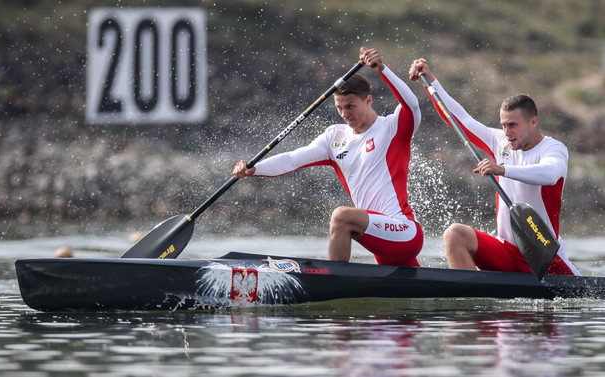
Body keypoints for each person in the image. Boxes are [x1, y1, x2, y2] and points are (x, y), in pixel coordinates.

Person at [232, 47, 423, 266]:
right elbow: (293, 159)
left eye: (350, 106)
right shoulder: (335, 137)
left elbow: (412, 104)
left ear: (368, 100)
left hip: (403, 231)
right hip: (377, 236)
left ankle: (332, 277)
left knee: (342, 217)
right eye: (339, 107)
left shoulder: (392, 128)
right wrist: (254, 168)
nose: (345, 114)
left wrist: (382, 69)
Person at [409, 59, 580, 276]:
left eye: (513, 125)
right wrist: (430, 81)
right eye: (503, 125)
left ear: (533, 122)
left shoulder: (553, 149)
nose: (507, 132)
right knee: (455, 234)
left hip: (543, 255)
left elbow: (550, 174)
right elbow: (459, 119)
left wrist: (502, 170)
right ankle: (468, 301)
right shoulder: (500, 141)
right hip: (506, 251)